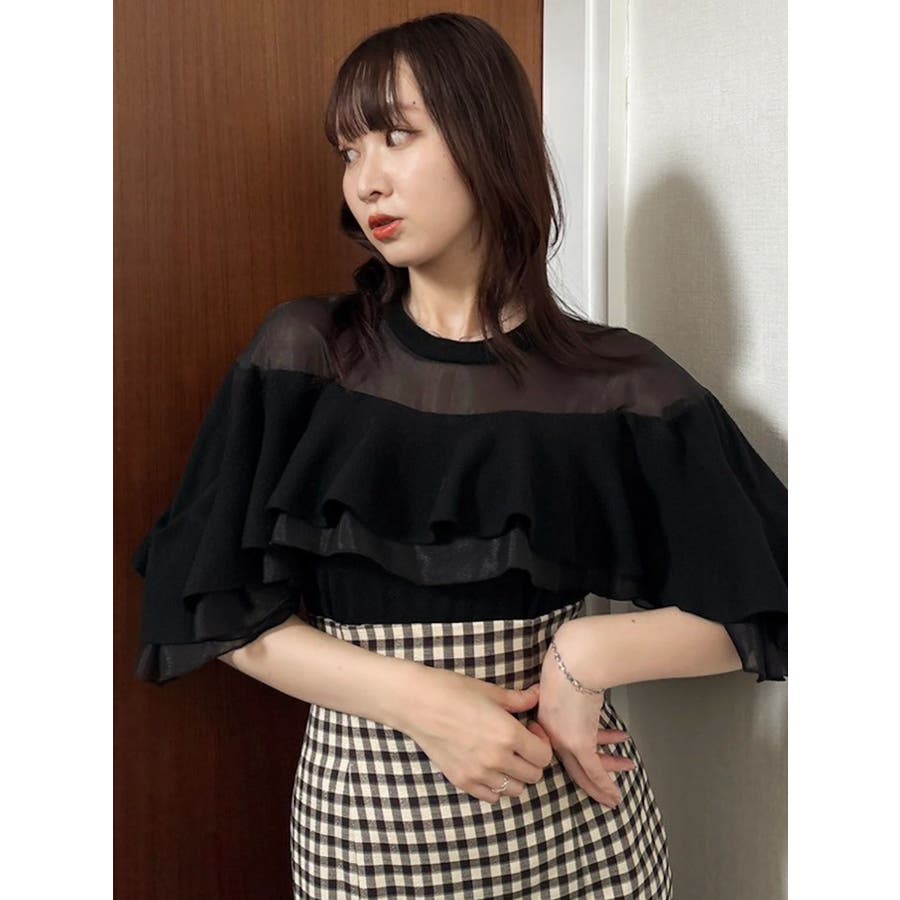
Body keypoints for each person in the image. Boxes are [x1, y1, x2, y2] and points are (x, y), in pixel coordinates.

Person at [131, 12, 787, 899]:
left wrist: (587, 655)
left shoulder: (616, 382)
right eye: (349, 150)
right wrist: (425, 703)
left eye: (396, 136)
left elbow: (785, 592)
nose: (366, 179)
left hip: (586, 836)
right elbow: (208, 606)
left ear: (488, 137)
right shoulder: (309, 355)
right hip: (371, 833)